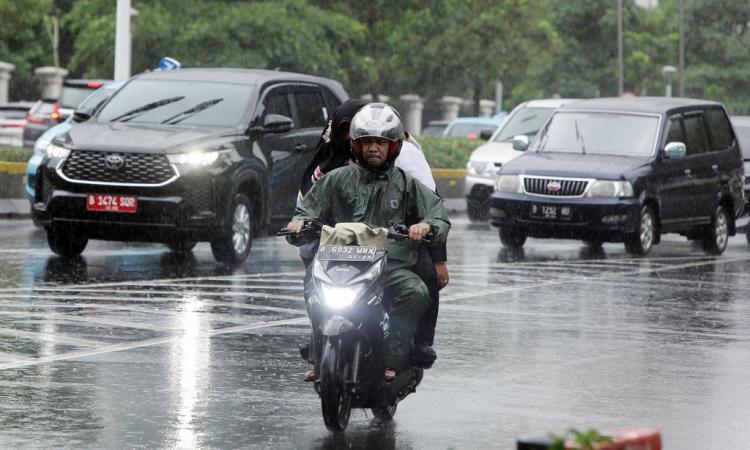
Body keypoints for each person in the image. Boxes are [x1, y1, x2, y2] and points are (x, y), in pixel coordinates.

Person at [287, 103, 451, 379]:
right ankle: (318, 355)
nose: (374, 148)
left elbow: (437, 215)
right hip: (338, 262)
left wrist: (425, 226)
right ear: (355, 146)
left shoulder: (407, 182)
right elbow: (307, 209)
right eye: (367, 142)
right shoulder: (334, 179)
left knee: (416, 292)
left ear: (394, 147)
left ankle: (393, 360)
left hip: (389, 266)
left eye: (380, 142)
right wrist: (298, 223)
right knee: (311, 286)